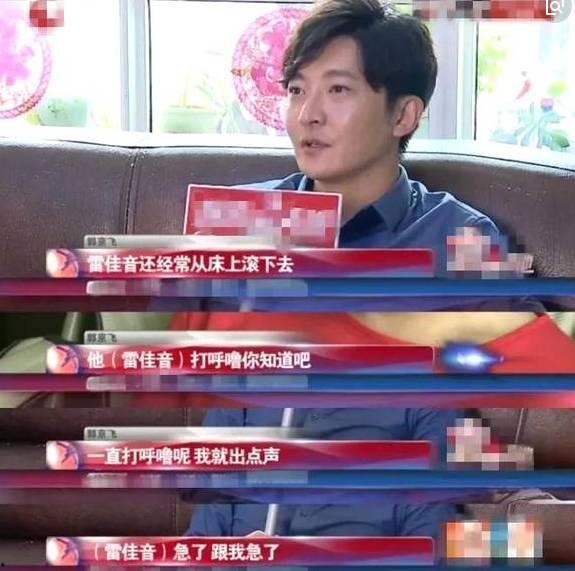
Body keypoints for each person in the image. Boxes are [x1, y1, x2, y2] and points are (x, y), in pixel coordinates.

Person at [135, 0, 575, 541]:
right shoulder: (235, 222)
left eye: (338, 90)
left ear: (403, 115)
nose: (308, 114)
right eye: (297, 90)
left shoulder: (455, 239)